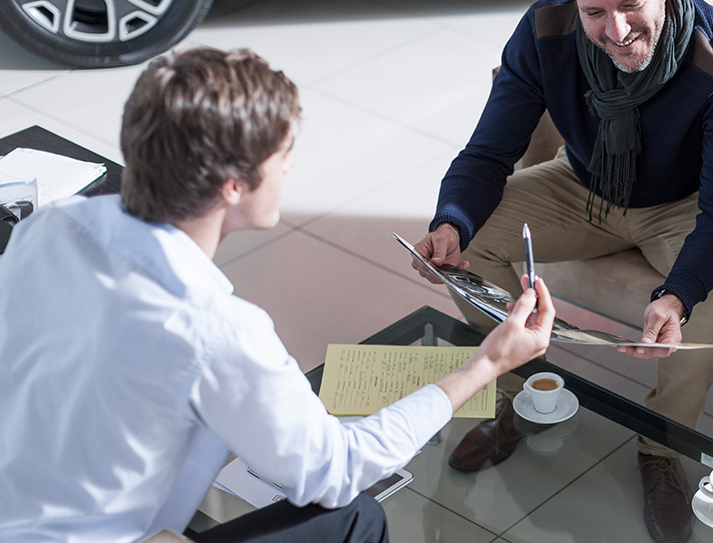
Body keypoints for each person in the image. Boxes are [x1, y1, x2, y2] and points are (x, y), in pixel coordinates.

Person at [0, 47, 556, 543]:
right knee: (354, 515)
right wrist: (487, 363)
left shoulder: (49, 226)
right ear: (234, 185)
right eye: (281, 153)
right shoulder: (216, 328)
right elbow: (338, 470)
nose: (290, 165)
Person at [411, 0, 713, 540]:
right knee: (471, 248)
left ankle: (660, 446)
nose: (617, 30)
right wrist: (451, 223)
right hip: (581, 184)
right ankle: (520, 393)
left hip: (682, 206)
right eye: (594, 12)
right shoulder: (545, 28)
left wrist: (678, 294)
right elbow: (489, 152)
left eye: (631, 4)